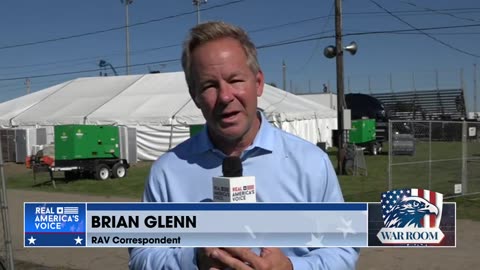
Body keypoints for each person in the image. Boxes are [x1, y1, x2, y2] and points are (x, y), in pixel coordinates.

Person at [129, 21, 359, 270]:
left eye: (235, 80)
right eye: (209, 85)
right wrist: (193, 260)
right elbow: (141, 256)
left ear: (258, 83)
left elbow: (343, 249)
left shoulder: (311, 163)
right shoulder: (168, 172)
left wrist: (292, 267)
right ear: (194, 95)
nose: (226, 96)